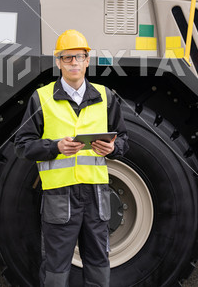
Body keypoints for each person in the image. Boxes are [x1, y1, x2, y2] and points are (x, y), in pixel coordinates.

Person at [14, 29, 129, 287]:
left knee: (99, 263)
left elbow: (123, 140)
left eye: (79, 57)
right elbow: (22, 146)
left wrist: (113, 149)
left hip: (96, 195)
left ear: (88, 60)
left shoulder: (106, 97)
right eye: (68, 58)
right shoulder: (41, 98)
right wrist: (55, 147)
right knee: (56, 268)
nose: (74, 63)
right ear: (59, 62)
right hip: (59, 196)